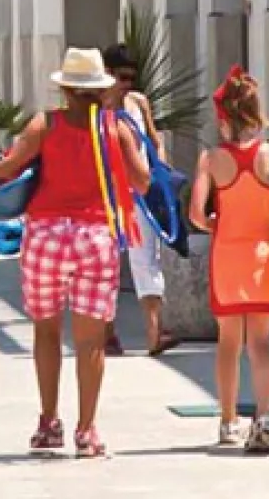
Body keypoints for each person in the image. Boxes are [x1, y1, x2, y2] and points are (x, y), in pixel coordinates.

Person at [0, 47, 149, 459]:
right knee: (91, 341)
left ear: (65, 88)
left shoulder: (45, 124)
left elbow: (10, 167)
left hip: (46, 237)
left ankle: (48, 423)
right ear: (101, 88)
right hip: (94, 238)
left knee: (46, 332)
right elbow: (143, 180)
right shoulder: (115, 128)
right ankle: (86, 430)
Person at [190, 65, 269, 454]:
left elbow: (196, 214)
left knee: (228, 342)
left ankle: (228, 420)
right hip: (263, 257)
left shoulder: (211, 159)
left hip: (227, 257)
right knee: (260, 342)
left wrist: (215, 223)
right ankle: (263, 416)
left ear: (223, 117)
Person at [100, 43, 179, 358]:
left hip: (140, 194)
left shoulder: (137, 103)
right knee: (105, 263)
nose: (127, 84)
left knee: (147, 259)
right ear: (106, 73)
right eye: (121, 77)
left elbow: (154, 140)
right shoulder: (94, 109)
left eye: (131, 78)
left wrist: (160, 173)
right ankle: (107, 334)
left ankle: (154, 332)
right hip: (106, 195)